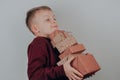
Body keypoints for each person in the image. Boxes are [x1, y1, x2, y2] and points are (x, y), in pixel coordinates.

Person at [25, 5, 83, 80]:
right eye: (47, 19)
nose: (54, 21)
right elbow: (34, 76)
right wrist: (62, 70)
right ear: (36, 28)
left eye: (54, 18)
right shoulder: (38, 43)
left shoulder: (58, 42)